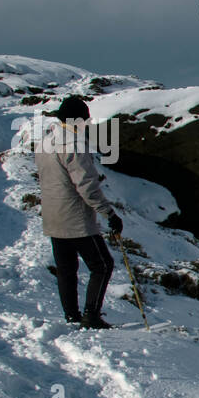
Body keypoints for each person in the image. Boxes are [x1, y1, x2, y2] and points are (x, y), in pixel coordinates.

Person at [35, 96, 124, 329]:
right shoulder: (74, 144)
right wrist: (109, 214)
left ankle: (71, 315)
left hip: (53, 216)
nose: (87, 123)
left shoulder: (44, 143)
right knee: (102, 265)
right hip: (75, 218)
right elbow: (86, 185)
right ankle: (91, 315)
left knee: (66, 269)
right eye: (85, 119)